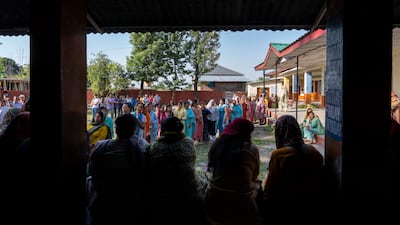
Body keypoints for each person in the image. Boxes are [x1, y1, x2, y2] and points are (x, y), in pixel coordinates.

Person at [146, 116, 209, 225]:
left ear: (163, 130)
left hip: (161, 195)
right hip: (189, 193)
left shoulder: (155, 147)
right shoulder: (188, 143)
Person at [261, 115, 324, 223]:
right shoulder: (314, 152)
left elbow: (271, 189)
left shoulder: (279, 156)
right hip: (313, 207)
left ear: (279, 132)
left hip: (286, 210)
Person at [87, 114, 146, 225]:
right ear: (134, 130)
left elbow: (92, 171)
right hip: (131, 204)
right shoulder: (141, 146)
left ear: (115, 128)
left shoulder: (101, 146)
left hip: (104, 202)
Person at [204, 118, 261, 225]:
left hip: (214, 199)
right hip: (242, 202)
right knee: (258, 184)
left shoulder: (217, 146)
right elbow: (255, 175)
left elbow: (212, 170)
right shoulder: (251, 148)